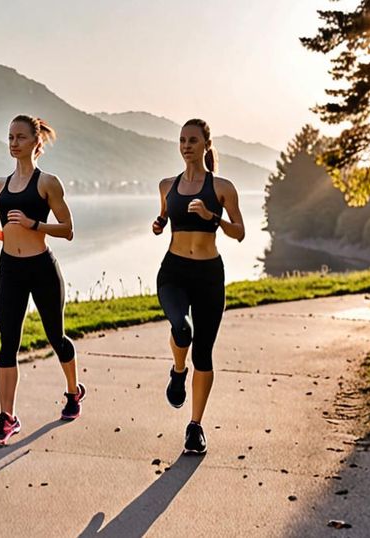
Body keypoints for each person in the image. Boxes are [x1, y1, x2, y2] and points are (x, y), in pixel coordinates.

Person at [0, 115, 83, 446]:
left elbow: (67, 230)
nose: (13, 142)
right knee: (8, 342)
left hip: (41, 268)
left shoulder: (47, 183)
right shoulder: (0, 185)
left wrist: (35, 224)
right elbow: (10, 233)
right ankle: (7, 417)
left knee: (56, 337)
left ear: (36, 143)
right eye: (10, 137)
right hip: (10, 269)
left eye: (20, 137)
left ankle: (73, 391)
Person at [151, 118, 245, 454]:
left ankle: (195, 427)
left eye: (193, 140)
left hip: (209, 276)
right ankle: (178, 371)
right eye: (182, 140)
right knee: (181, 327)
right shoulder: (167, 185)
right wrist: (159, 223)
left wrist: (212, 217)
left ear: (206, 144)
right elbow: (164, 214)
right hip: (174, 272)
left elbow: (239, 231)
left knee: (204, 353)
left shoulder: (222, 187)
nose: (186, 145)